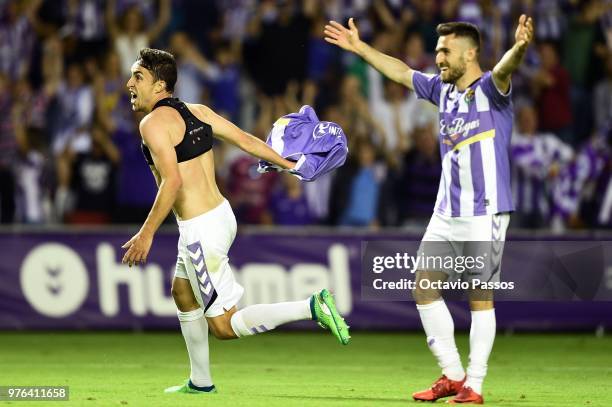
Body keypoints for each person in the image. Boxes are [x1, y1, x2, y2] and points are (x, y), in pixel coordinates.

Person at [325, 14, 533, 404]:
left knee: (479, 297)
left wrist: (519, 49)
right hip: (445, 210)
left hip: (483, 210)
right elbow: (402, 72)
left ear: (470, 54)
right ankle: (452, 374)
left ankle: (476, 384)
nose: (438, 57)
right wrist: (360, 48)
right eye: (437, 50)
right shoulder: (442, 90)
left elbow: (505, 69)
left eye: (445, 51)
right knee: (423, 288)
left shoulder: (491, 89)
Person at [120, 48, 350, 395]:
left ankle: (312, 307)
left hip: (201, 229)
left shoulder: (152, 123)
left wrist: (145, 234)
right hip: (219, 216)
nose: (129, 84)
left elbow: (173, 182)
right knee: (182, 293)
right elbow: (246, 141)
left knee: (224, 327)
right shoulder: (198, 112)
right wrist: (291, 165)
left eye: (138, 77)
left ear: (160, 85)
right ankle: (200, 381)